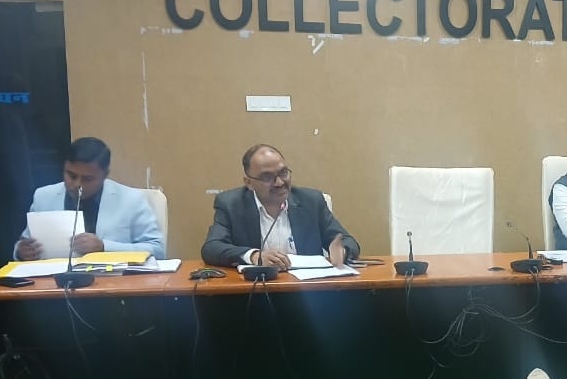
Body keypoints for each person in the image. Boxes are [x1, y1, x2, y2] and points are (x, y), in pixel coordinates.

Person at [201, 143, 359, 270]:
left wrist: (342, 251)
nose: (279, 182)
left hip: (308, 291)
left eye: (283, 173)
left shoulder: (311, 201)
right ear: (249, 183)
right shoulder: (231, 204)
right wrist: (254, 256)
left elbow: (348, 241)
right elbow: (212, 248)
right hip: (254, 291)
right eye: (267, 177)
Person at [14, 136, 165, 260]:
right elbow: (25, 243)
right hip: (53, 282)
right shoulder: (43, 197)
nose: (77, 184)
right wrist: (21, 252)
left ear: (105, 175)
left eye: (88, 179)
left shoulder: (131, 200)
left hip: (113, 282)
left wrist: (104, 247)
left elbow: (157, 250)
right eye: (71, 175)